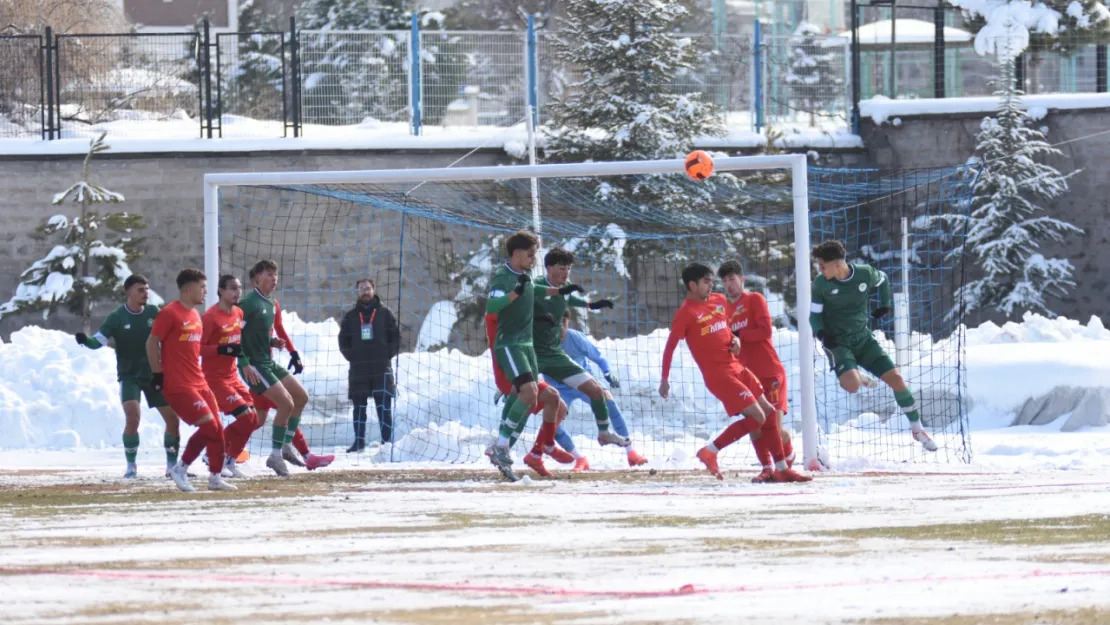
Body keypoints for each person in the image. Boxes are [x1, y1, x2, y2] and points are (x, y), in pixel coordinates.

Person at [658, 262, 810, 483]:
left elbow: (727, 330)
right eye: (706, 281)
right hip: (720, 376)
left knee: (767, 412)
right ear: (692, 285)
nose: (713, 285)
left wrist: (735, 339)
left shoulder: (720, 302)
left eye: (713, 281)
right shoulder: (686, 314)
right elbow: (670, 346)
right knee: (758, 417)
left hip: (740, 368)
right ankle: (711, 450)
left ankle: (781, 468)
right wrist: (664, 379)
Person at [809, 240, 938, 452]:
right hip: (838, 343)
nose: (820, 270)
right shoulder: (821, 284)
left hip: (864, 340)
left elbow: (883, 280)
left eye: (822, 265)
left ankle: (917, 428)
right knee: (851, 385)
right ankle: (857, 375)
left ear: (837, 263)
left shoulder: (864, 274)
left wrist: (885, 304)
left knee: (897, 380)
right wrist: (822, 334)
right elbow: (814, 316)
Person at [75, 274, 181, 478]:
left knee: (173, 419)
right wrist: (85, 340)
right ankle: (131, 467)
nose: (145, 294)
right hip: (129, 375)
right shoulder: (116, 317)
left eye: (147, 290)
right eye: (141, 290)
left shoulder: (153, 312)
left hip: (154, 374)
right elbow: (98, 341)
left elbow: (170, 333)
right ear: (129, 292)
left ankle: (171, 467)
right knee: (133, 417)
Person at [484, 231, 565, 481]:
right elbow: (491, 306)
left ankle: (501, 446)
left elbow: (534, 291)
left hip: (527, 346)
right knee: (529, 393)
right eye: (530, 255)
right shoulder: (503, 277)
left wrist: (560, 292)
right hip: (510, 345)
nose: (533, 259)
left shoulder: (525, 276)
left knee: (532, 399)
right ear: (517, 253)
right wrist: (514, 294)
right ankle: (502, 446)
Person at [240, 261, 334, 474]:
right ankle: (275, 454)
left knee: (300, 397)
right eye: (269, 274)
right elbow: (236, 337)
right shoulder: (248, 303)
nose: (274, 279)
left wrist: (288, 350)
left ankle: (285, 446)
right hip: (255, 366)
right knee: (279, 407)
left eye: (276, 275)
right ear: (257, 277)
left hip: (269, 363)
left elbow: (275, 330)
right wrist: (244, 363)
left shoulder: (272, 303)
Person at [532, 248, 630, 451]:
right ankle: (511, 446)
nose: (566, 272)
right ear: (549, 267)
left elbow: (569, 299)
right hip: (533, 352)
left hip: (554, 356)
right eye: (562, 268)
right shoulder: (536, 286)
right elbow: (529, 301)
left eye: (569, 268)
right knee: (535, 406)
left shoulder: (573, 335)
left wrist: (593, 305)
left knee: (598, 392)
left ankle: (606, 434)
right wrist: (539, 316)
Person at [147, 268, 235, 492]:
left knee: (216, 430)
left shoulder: (196, 314)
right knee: (209, 427)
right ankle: (180, 469)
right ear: (187, 289)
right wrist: (158, 374)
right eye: (202, 287)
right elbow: (151, 342)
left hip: (199, 382)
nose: (206, 291)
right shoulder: (170, 313)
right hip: (179, 385)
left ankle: (215, 478)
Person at [718, 260, 796, 482]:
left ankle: (788, 456)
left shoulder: (755, 299)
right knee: (756, 422)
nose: (729, 284)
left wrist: (738, 335)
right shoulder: (723, 310)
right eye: (724, 281)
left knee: (774, 428)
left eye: (732, 279)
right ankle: (767, 468)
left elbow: (765, 331)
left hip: (770, 372)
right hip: (747, 377)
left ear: (742, 279)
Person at [548, 311, 648, 471]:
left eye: (564, 324)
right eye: (555, 325)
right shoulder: (541, 342)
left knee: (608, 400)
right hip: (559, 388)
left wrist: (607, 373)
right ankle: (579, 459)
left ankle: (631, 452)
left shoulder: (575, 338)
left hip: (583, 383)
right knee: (551, 423)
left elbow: (599, 358)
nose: (561, 330)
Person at [485, 312, 570, 466]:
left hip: (521, 368)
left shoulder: (522, 313)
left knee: (558, 406)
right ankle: (504, 447)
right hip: (511, 370)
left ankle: (534, 453)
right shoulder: (502, 310)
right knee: (548, 398)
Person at [200, 275, 257, 479]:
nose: (237, 292)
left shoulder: (239, 313)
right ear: (221, 291)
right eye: (233, 288)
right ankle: (212, 453)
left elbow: (236, 344)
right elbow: (198, 348)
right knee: (246, 417)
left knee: (253, 419)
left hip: (232, 376)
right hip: (215, 379)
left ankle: (231, 461)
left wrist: (244, 362)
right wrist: (221, 349)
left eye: (239, 288)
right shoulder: (210, 317)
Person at [337, 278, 400, 453]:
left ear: (373, 290)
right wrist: (353, 356)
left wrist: (386, 355)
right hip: (359, 368)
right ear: (357, 292)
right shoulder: (350, 316)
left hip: (381, 367)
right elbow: (343, 340)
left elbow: (395, 337)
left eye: (368, 288)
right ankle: (359, 441)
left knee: (383, 406)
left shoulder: (385, 313)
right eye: (361, 289)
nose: (365, 291)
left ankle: (387, 442)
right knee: (359, 407)